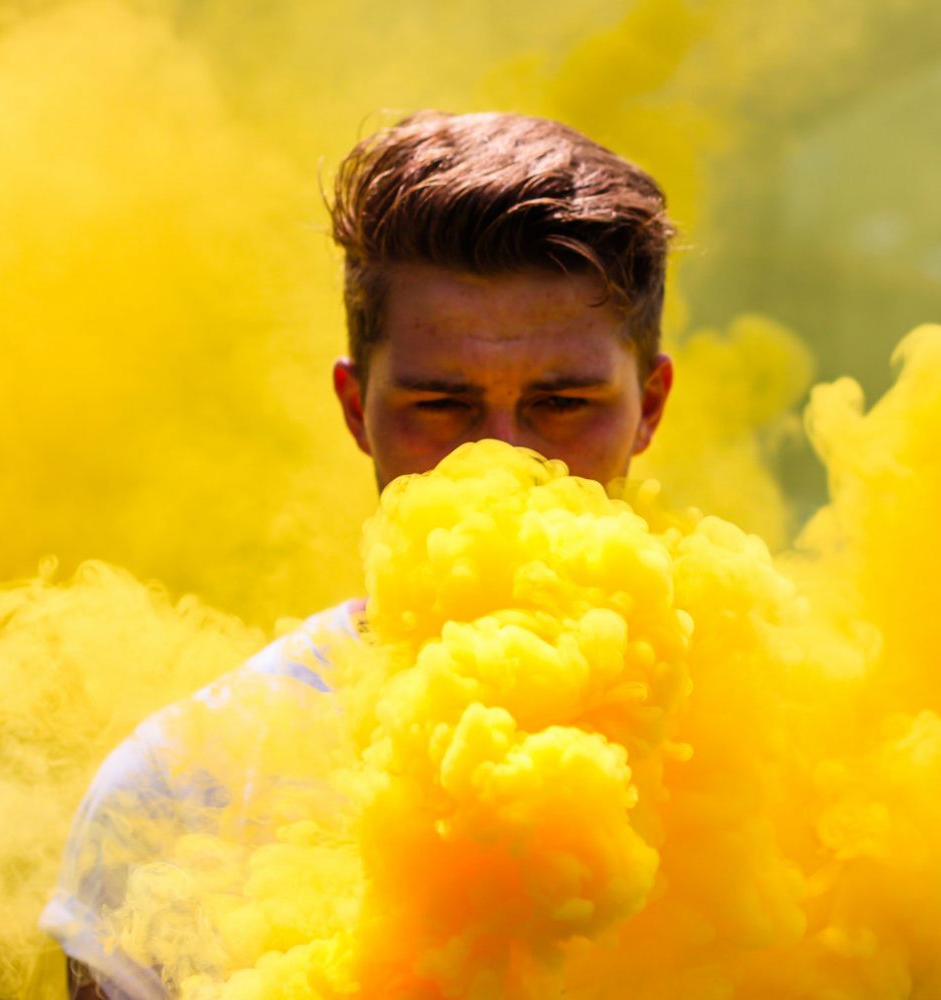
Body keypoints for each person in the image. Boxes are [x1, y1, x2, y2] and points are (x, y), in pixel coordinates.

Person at [40, 109, 677, 1000]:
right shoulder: (186, 791)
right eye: (441, 405)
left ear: (649, 406)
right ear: (355, 408)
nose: (501, 456)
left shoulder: (803, 765)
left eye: (563, 402)